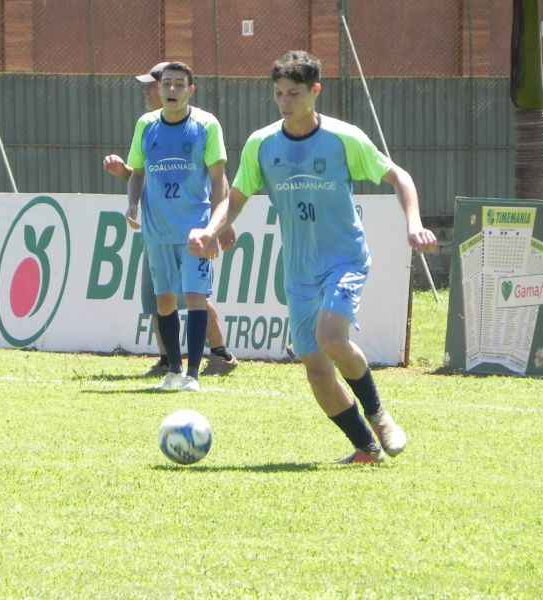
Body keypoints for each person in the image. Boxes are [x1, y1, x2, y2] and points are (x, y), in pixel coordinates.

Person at [189, 51, 437, 462]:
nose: (286, 102)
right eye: (279, 94)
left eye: (295, 93)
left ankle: (380, 415)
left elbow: (399, 176)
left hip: (344, 260)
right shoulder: (262, 143)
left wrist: (413, 223)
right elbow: (234, 199)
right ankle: (366, 448)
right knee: (316, 367)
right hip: (299, 271)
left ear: (315, 91)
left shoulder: (343, 138)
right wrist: (211, 231)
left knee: (330, 338)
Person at [103, 62, 237, 379]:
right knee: (161, 298)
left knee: (194, 296)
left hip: (194, 228)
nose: (161, 90)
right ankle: (170, 365)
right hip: (156, 228)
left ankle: (206, 361)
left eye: (175, 84)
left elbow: (219, 177)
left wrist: (221, 224)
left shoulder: (204, 125)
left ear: (190, 89)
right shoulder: (146, 126)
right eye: (163, 84)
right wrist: (131, 202)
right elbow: (139, 172)